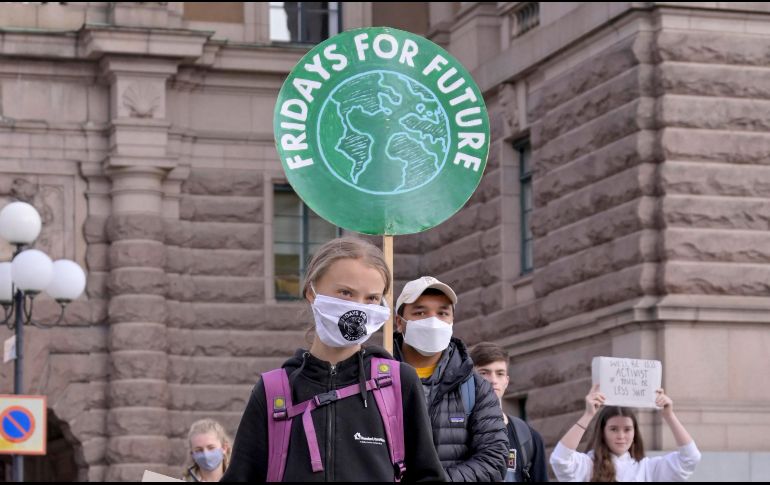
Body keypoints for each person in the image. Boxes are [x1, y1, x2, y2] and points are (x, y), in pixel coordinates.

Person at [221, 237, 445, 482]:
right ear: (311, 292)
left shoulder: (399, 383)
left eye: (371, 298)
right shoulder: (273, 391)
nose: (358, 308)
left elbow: (427, 476)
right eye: (346, 293)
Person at [393, 276, 508, 481]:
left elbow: (495, 459)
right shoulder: (374, 380)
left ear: (452, 321)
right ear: (400, 322)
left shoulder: (475, 388)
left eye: (442, 313)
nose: (433, 321)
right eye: (420, 312)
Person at [549, 384, 702, 482]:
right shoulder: (588, 465)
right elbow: (559, 459)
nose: (621, 436)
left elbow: (690, 458)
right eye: (614, 429)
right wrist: (588, 415)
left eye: (627, 429)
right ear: (602, 432)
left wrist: (669, 415)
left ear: (635, 432)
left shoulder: (648, 468)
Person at [469, 342, 548, 482]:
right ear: (469, 379)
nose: (493, 380)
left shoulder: (529, 438)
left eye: (500, 374)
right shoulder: (452, 432)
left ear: (506, 381)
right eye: (484, 373)